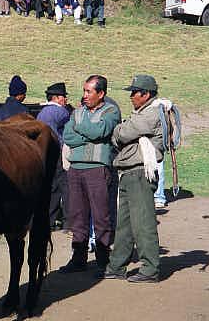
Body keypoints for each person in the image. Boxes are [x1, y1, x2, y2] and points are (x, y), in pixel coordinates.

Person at [59, 76, 121, 274]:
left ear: (101, 93)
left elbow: (100, 131)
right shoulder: (77, 112)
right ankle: (78, 258)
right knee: (77, 216)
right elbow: (67, 136)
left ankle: (103, 260)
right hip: (76, 169)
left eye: (89, 92)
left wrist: (80, 128)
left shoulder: (111, 111)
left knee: (101, 215)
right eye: (84, 91)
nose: (84, 95)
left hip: (97, 168)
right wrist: (89, 134)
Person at [105, 75, 164, 283]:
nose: (131, 96)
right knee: (125, 224)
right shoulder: (143, 113)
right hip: (130, 171)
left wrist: (120, 130)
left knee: (143, 223)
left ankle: (150, 269)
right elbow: (122, 134)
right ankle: (116, 266)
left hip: (140, 172)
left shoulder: (152, 113)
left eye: (134, 92)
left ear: (146, 94)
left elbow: (122, 134)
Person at [37, 83, 71, 230]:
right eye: (63, 96)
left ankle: (49, 219)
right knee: (64, 186)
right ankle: (69, 220)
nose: (65, 99)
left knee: (51, 187)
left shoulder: (42, 112)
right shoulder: (61, 112)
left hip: (44, 152)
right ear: (57, 98)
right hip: (58, 151)